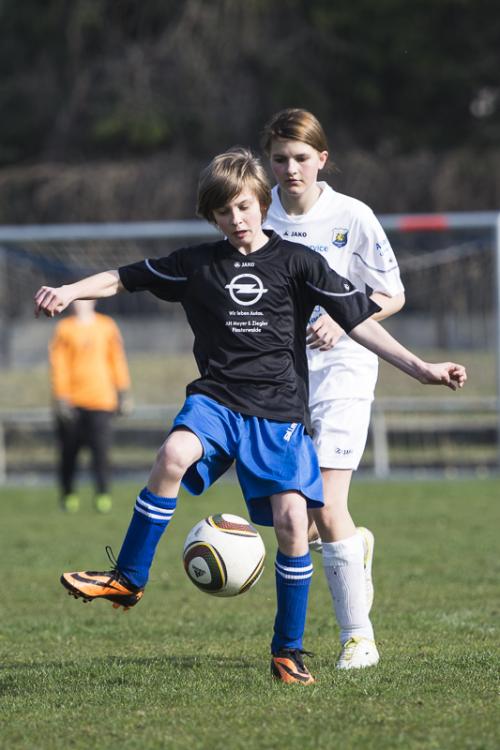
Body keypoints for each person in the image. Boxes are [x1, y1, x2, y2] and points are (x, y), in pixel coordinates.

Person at [34, 147, 466, 686]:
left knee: (292, 524)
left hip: (278, 411)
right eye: (224, 212)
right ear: (211, 216)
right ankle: (128, 577)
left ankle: (288, 651)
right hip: (217, 400)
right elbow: (123, 278)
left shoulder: (299, 263)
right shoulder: (197, 264)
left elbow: (359, 320)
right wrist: (69, 290)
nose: (236, 220)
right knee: (173, 454)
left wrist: (421, 368)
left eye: (243, 207)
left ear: (261, 203)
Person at [261, 108, 406, 670]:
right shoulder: (257, 214)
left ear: (322, 158)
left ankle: (359, 639)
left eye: (301, 158)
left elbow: (391, 294)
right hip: (280, 377)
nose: (291, 169)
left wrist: (346, 320)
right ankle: (353, 546)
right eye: (280, 159)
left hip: (345, 369)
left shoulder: (353, 216)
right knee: (300, 516)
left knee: (326, 501)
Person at [49, 298, 132, 513]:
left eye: (84, 299)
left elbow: (117, 359)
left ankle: (103, 494)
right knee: (69, 453)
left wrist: (122, 392)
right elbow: (59, 364)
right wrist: (61, 397)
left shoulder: (106, 326)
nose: (80, 304)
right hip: (72, 402)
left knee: (101, 453)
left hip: (102, 401)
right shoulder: (64, 328)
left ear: (93, 301)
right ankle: (68, 495)